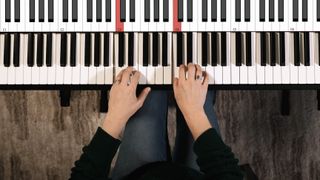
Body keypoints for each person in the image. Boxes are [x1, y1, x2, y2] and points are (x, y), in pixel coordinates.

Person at [70, 63, 244, 180]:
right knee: (199, 78)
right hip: (198, 175)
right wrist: (194, 111)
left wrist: (115, 117)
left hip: (139, 174)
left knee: (147, 79)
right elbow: (229, 175)